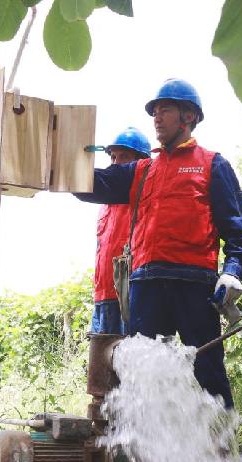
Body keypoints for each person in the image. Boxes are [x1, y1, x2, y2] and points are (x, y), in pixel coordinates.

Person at [75, 78, 242, 409]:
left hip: (195, 284)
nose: (157, 118)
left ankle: (223, 437)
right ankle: (141, 443)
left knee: (208, 371)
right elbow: (93, 182)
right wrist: (61, 160)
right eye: (154, 112)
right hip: (146, 285)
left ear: (189, 116)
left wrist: (232, 271)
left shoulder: (212, 164)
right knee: (140, 374)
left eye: (165, 110)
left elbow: (238, 229)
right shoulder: (141, 171)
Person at [91, 127, 152, 335]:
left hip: (130, 295)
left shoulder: (144, 196)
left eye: (124, 157)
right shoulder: (104, 204)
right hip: (102, 297)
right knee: (100, 354)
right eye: (113, 157)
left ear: (141, 162)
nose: (116, 163)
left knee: (132, 353)